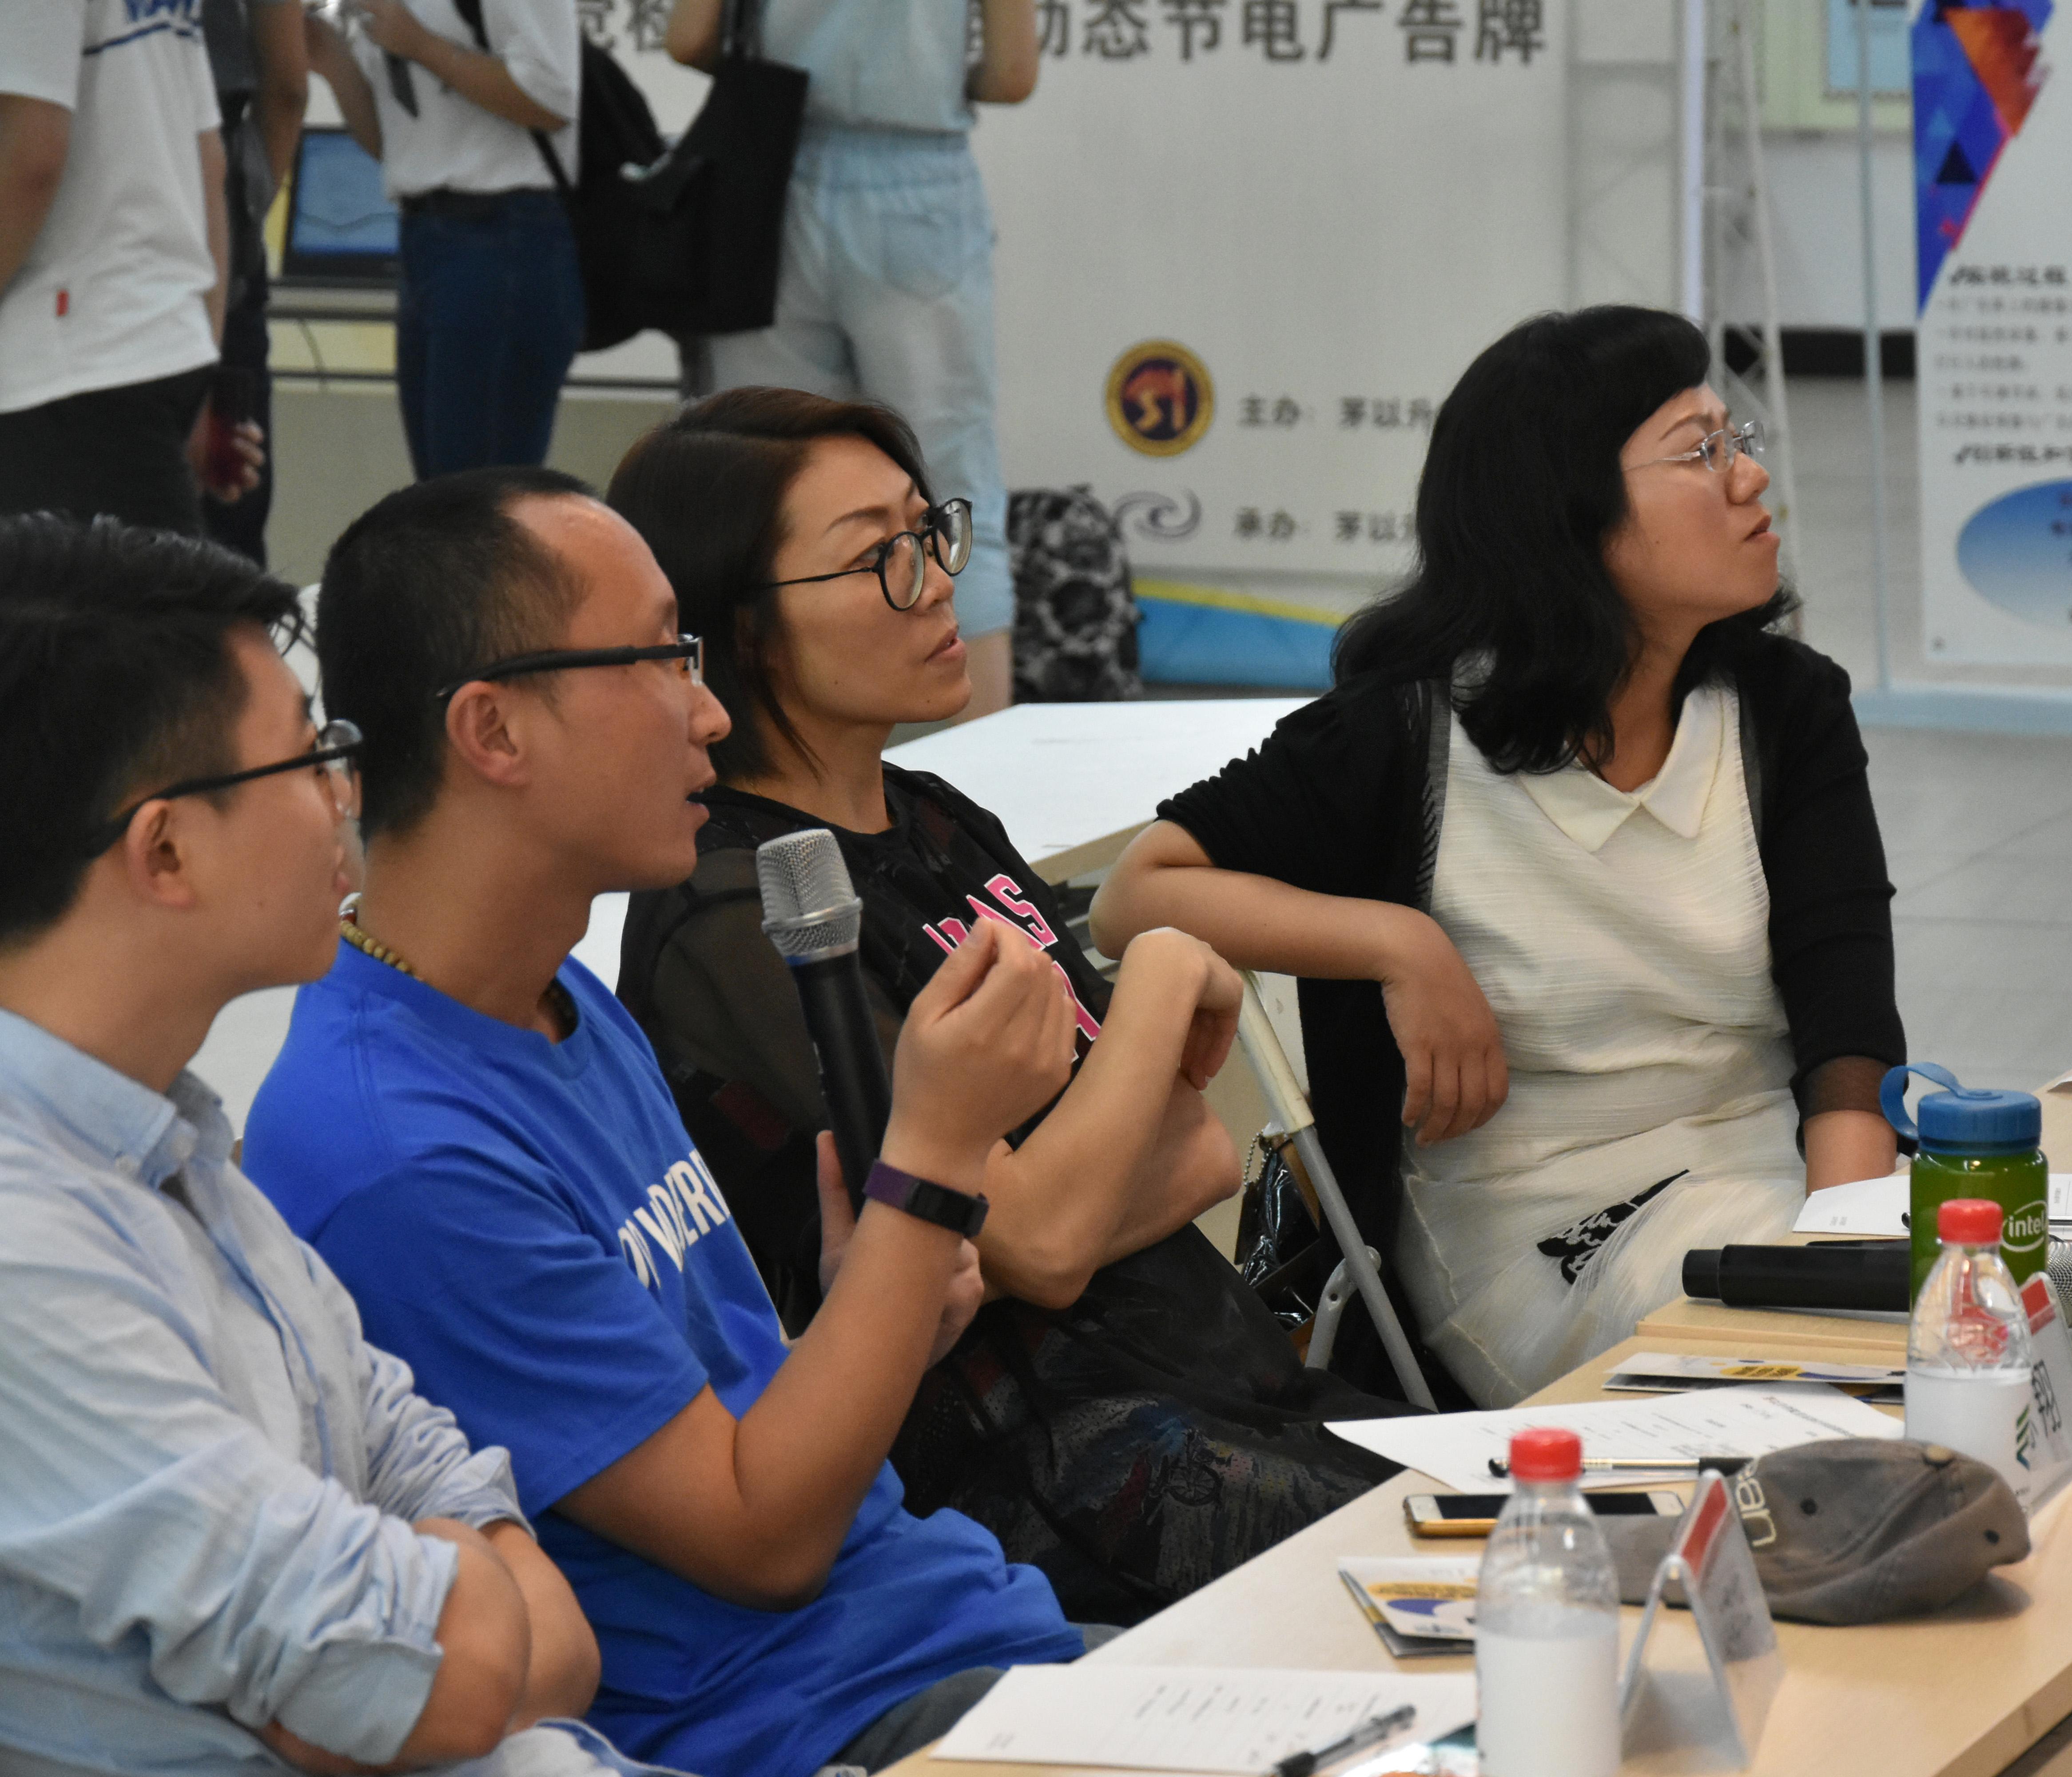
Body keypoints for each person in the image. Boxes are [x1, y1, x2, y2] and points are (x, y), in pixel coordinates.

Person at [242, 467, 1099, 1775]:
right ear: (493, 730)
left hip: (946, 1632)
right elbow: (762, 1541)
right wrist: (929, 1161)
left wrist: (871, 1302)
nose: (709, 712)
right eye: (657, 658)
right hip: (803, 1723)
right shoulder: (390, 1145)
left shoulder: (554, 995)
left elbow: (712, 1414)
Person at [605, 387, 1412, 1622]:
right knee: (1515, 1577)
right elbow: (1028, 1239)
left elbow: (1190, 1159)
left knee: (1580, 1523)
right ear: (743, 629)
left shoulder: (940, 822)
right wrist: (1163, 970)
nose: (938, 582)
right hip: (1040, 1459)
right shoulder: (743, 905)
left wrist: (1060, 1200)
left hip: (1214, 1374)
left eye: (929, 533)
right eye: (877, 557)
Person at [1093, 307, 1908, 1410]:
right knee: (1841, 1351)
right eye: (1700, 451)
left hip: (1777, 1172)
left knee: (1984, 1294)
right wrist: (1397, 942)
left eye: (1738, 439)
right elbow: (1135, 895)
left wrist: (1845, 1254)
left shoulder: (1783, 708)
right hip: (1544, 1231)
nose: (1751, 476)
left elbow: (1850, 1035)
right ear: (1567, 515)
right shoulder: (1408, 737)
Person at [0, 513, 635, 1777]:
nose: (346, 799)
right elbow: (446, 1682)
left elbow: (535, 1636)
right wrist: (432, 1628)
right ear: (166, 848)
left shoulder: (174, 1145)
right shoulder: (28, 1247)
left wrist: (408, 1639)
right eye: (308, 759)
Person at [663, 0, 1038, 721]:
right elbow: (1012, 74)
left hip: (771, 177)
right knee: (955, 496)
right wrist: (926, 75)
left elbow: (689, 39)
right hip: (921, 181)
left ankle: (774, 766)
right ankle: (982, 771)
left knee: (766, 492)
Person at [0, 0, 264, 533]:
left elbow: (33, 157)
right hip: (159, 346)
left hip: (67, 363)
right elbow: (208, 162)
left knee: (84, 587)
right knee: (162, 584)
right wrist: (199, 354)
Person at [304, 0, 584, 478]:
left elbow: (554, 97)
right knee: (439, 491)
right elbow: (401, 147)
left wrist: (424, 46)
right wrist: (331, 58)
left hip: (505, 233)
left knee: (476, 497)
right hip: (425, 237)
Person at [200, 0, 310, 559]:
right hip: (223, 240)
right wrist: (241, 218)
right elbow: (287, 87)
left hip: (79, 268)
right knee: (228, 525)